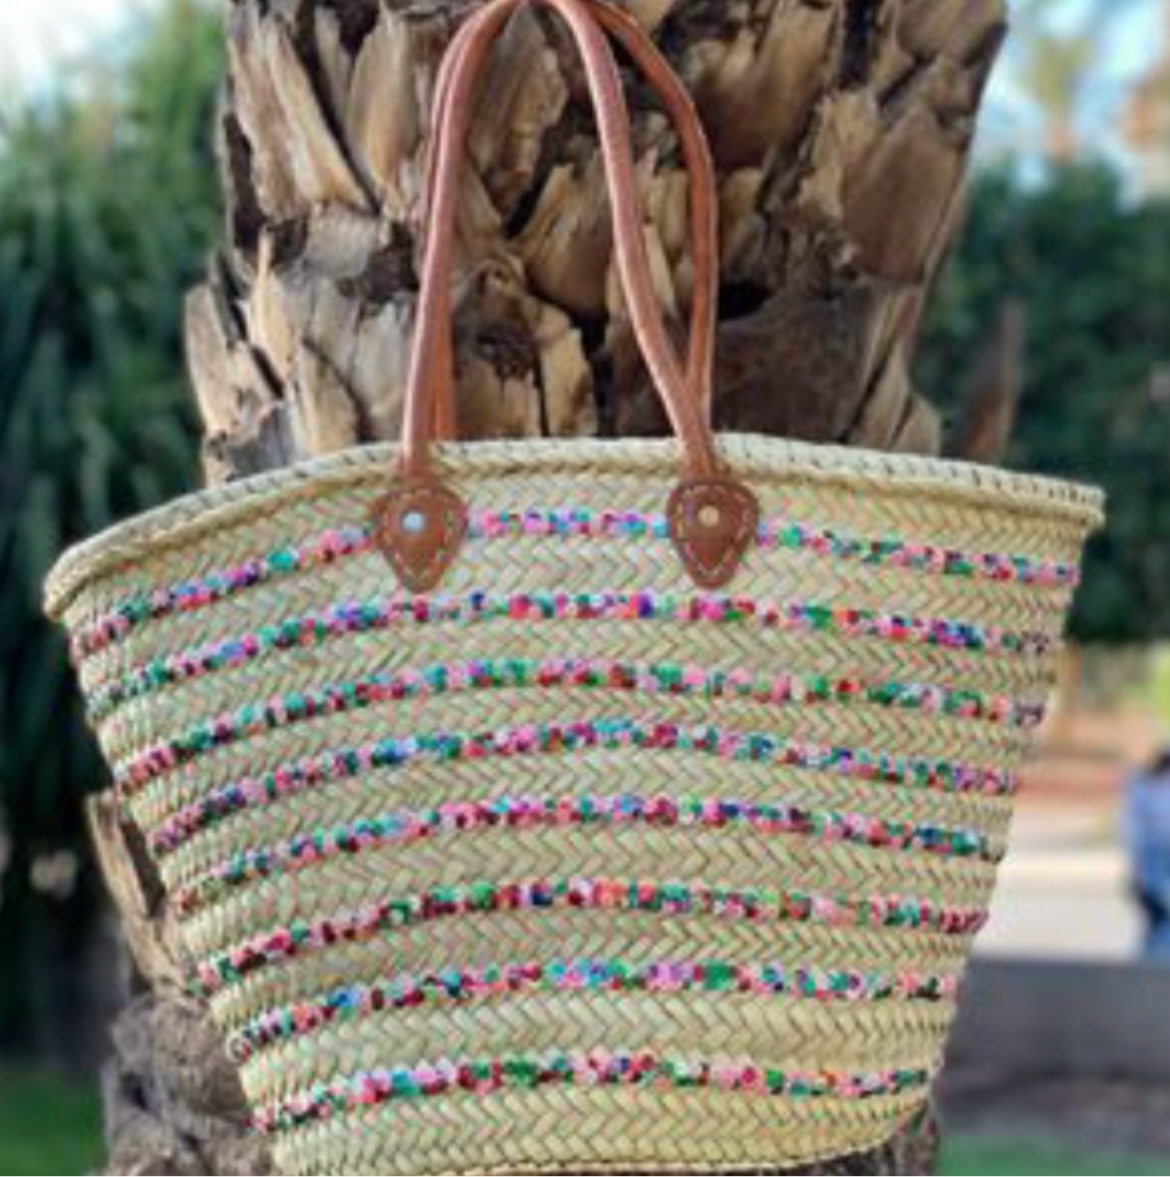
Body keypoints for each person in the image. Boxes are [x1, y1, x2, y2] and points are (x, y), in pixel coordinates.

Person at [1123, 745, 1170, 961]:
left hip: (1149, 867)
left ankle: (1145, 968)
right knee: (1160, 923)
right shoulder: (1146, 787)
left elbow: (1133, 832)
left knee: (1158, 925)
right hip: (1154, 866)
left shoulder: (1142, 787)